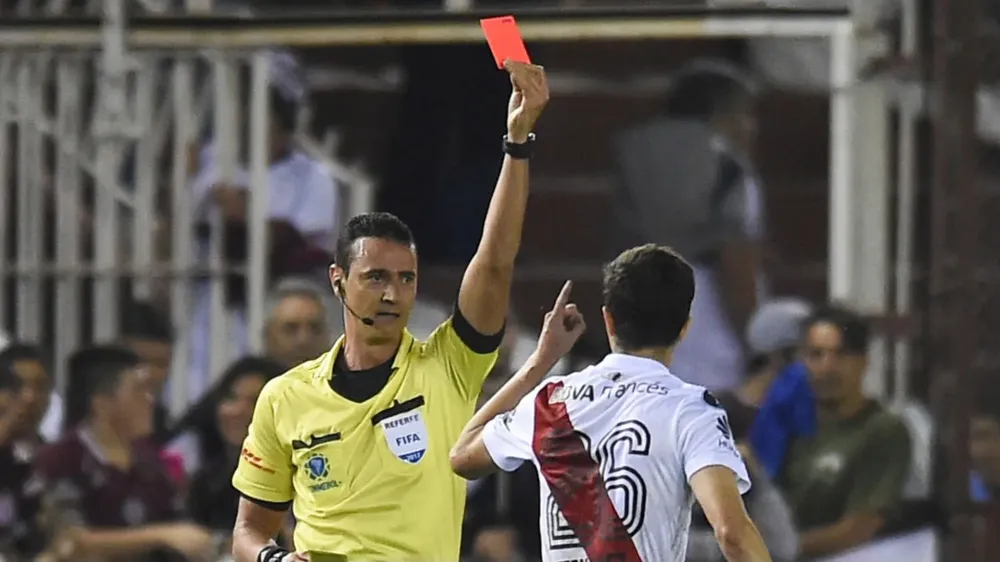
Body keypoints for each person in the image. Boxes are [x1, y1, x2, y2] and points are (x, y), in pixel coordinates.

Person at [230, 59, 549, 562]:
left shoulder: (447, 367)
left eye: (406, 279)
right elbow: (249, 530)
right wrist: (274, 559)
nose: (393, 294)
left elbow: (492, 265)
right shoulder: (284, 398)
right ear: (338, 282)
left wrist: (517, 144)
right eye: (375, 277)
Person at [450, 245, 772, 562]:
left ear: (608, 321)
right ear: (684, 328)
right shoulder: (692, 410)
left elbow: (462, 455)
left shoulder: (548, 401)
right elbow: (732, 533)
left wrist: (539, 362)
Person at [614, 59, 765, 391]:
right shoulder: (729, 168)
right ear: (723, 114)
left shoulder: (635, 158)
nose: (752, 127)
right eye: (745, 114)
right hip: (713, 339)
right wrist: (757, 349)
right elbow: (735, 261)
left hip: (642, 336)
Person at [28, 345, 214, 562]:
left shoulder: (150, 461)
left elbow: (181, 527)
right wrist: (160, 536)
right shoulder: (62, 458)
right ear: (102, 403)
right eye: (139, 391)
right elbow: (70, 541)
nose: (149, 401)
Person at [777, 306, 911, 559]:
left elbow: (857, 531)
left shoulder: (882, 430)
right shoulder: (789, 427)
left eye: (840, 355)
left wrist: (772, 548)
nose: (827, 367)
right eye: (816, 355)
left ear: (863, 362)